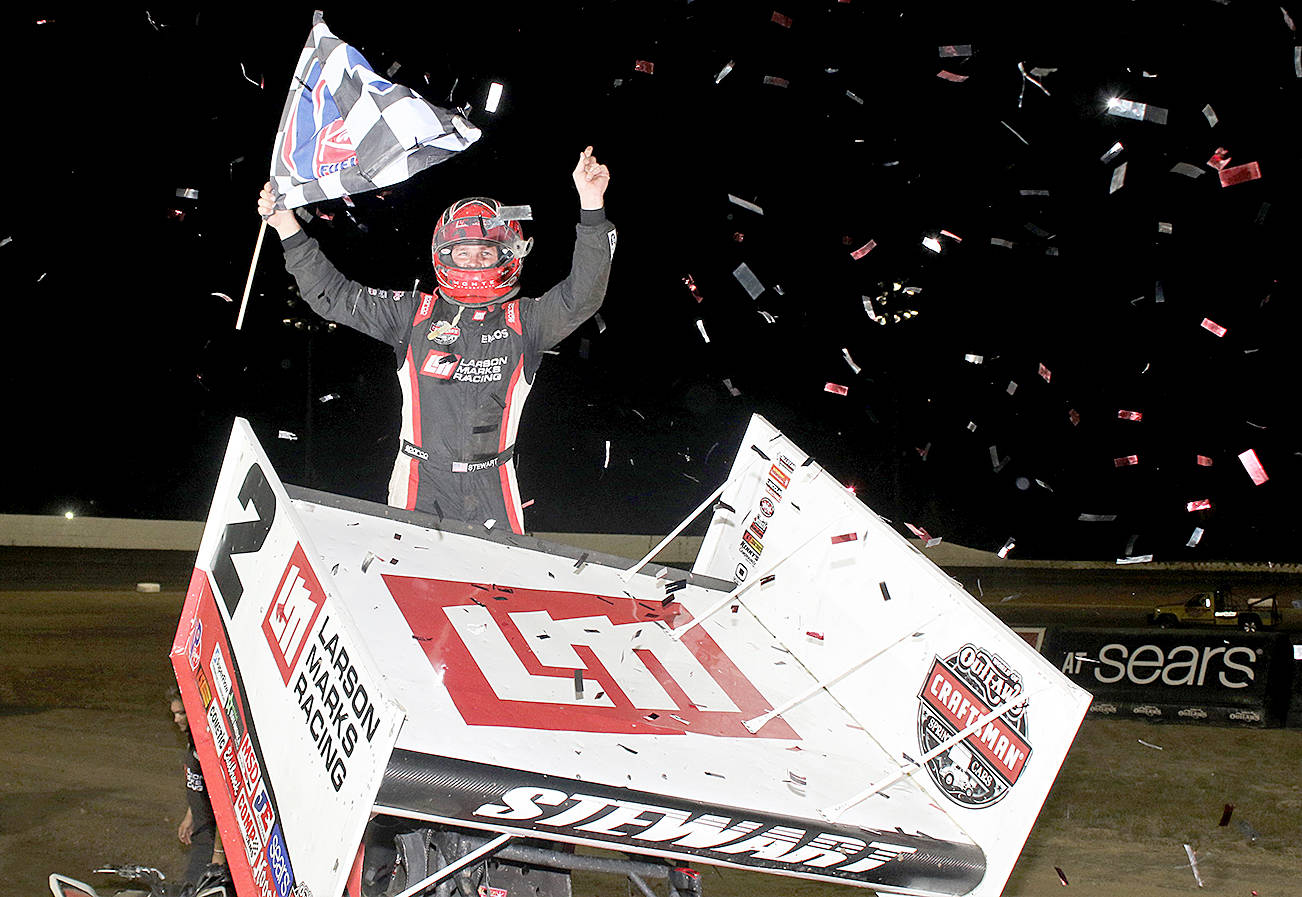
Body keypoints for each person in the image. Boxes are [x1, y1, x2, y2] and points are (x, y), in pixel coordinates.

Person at [256, 146, 614, 534]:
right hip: (418, 480)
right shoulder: (413, 313)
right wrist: (286, 227)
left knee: (501, 590)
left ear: (510, 254)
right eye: (463, 253)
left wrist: (592, 206)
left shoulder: (526, 320)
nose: (474, 263)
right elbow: (334, 297)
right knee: (406, 589)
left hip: (493, 482)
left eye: (485, 253)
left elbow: (583, 296)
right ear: (444, 255)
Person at [169, 688, 225, 885]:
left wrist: (218, 854)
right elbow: (201, 782)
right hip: (201, 830)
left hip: (212, 839)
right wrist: (190, 815)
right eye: (174, 713)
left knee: (193, 888)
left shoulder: (207, 746)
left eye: (181, 713)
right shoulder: (194, 739)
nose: (176, 720)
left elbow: (224, 804)